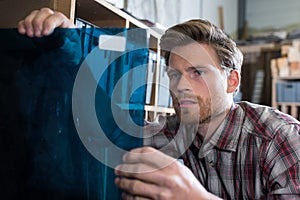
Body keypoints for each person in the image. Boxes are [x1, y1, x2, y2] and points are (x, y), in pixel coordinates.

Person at [18, 8, 300, 200]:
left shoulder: (279, 138)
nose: (181, 85)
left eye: (197, 72)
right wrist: (69, 44)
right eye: (174, 74)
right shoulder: (164, 134)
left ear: (232, 81)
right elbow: (102, 121)